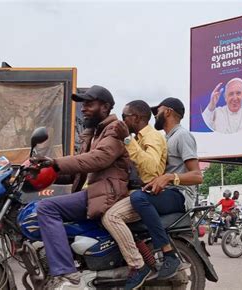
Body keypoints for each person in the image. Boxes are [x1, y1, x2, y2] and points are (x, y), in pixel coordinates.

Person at [33, 85, 130, 288]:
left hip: (107, 193)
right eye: (83, 104)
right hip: (94, 191)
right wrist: (43, 176)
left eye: (89, 104)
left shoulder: (114, 130)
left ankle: (66, 273)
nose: (84, 108)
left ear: (105, 107)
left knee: (46, 208)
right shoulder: (94, 133)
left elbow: (98, 159)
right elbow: (78, 171)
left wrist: (55, 162)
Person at [130, 97, 203, 280]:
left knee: (139, 198)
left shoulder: (182, 136)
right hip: (166, 192)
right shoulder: (164, 139)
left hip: (179, 195)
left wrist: (170, 177)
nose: (155, 115)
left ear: (168, 112)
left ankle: (168, 253)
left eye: (158, 111)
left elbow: (197, 176)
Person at [101, 100, 167, 290]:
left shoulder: (152, 136)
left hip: (146, 194)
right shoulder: (136, 138)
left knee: (111, 217)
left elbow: (152, 168)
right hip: (133, 191)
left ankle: (138, 266)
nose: (122, 121)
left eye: (124, 117)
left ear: (136, 118)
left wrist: (127, 141)